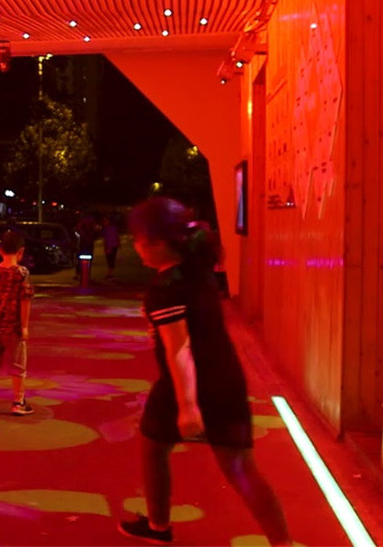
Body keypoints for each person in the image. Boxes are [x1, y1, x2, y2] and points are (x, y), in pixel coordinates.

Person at [117, 197, 290, 546]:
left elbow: (179, 349)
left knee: (155, 445)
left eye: (140, 239)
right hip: (225, 377)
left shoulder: (166, 289)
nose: (136, 246)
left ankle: (159, 526)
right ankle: (282, 543)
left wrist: (188, 406)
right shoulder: (197, 270)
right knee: (238, 467)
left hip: (190, 384)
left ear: (160, 243)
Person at [0, 230, 34, 416]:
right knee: (17, 366)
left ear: (0, 250)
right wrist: (24, 326)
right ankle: (18, 401)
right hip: (13, 327)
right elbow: (25, 301)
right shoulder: (22, 273)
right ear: (21, 252)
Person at [74, 212, 98, 281]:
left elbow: (77, 231)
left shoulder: (84, 223)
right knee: (84, 260)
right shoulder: (86, 224)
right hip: (86, 243)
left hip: (85, 243)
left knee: (82, 260)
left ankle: (81, 274)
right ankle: (84, 274)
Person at [100, 215, 121, 281]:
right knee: (110, 261)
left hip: (111, 246)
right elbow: (106, 239)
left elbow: (112, 238)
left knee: (110, 261)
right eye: (103, 221)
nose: (104, 222)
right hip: (110, 246)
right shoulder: (105, 229)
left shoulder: (110, 228)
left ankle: (111, 274)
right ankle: (110, 274)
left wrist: (109, 247)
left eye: (105, 221)